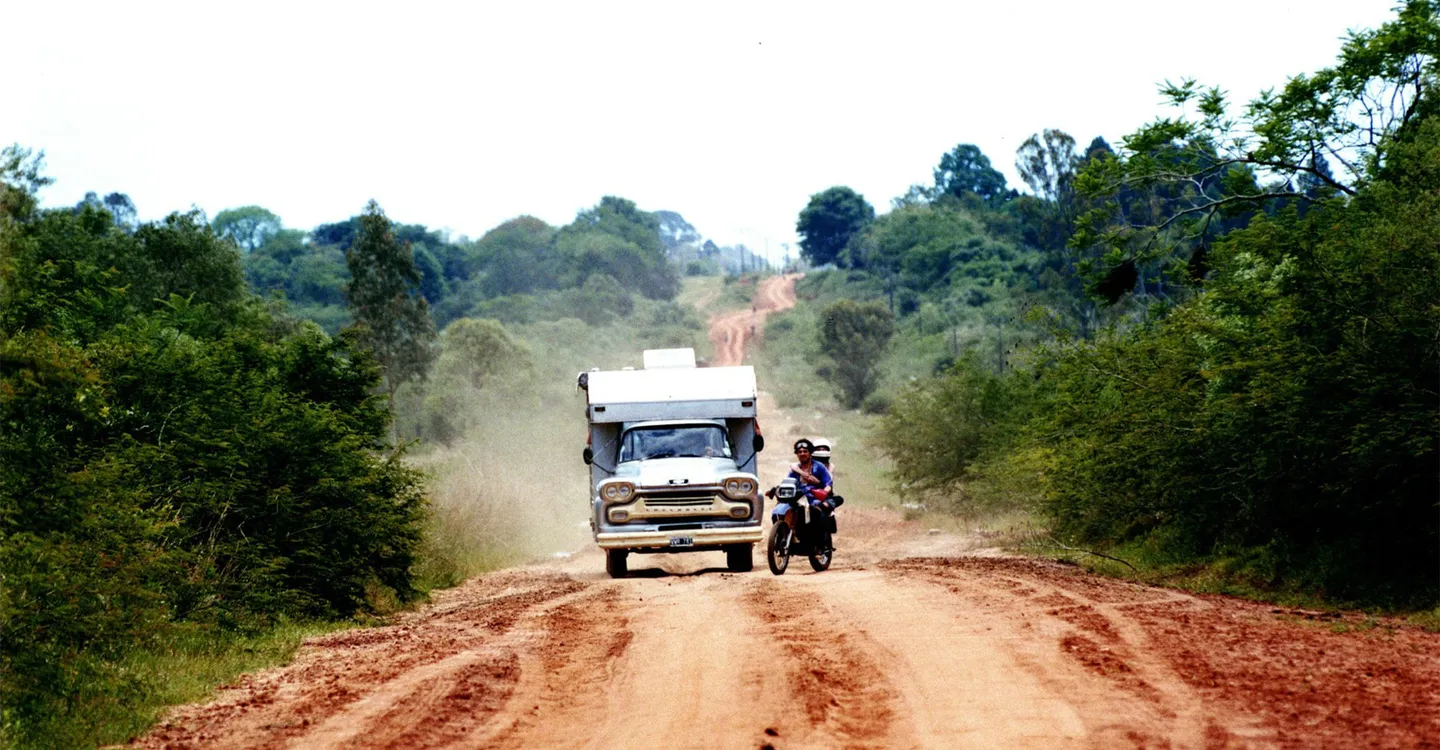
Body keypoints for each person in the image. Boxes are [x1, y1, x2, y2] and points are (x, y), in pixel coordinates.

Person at [788, 438, 835, 551]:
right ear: (797, 454)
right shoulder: (795, 469)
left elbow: (828, 482)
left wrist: (825, 491)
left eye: (805, 451)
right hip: (799, 498)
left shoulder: (819, 467)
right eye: (800, 452)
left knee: (816, 512)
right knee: (782, 510)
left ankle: (819, 543)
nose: (802, 454)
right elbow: (788, 481)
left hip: (814, 498)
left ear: (810, 453)